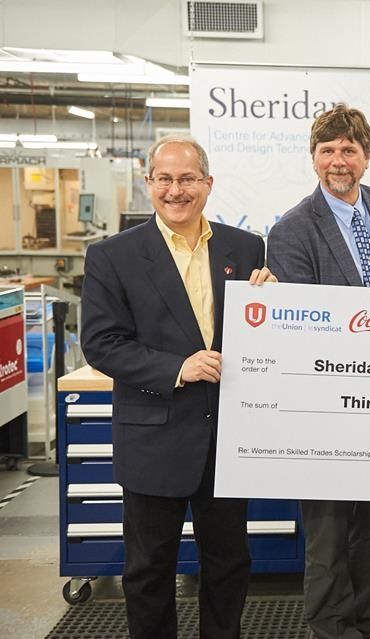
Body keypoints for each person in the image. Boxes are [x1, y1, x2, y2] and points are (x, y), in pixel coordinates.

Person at [81, 134, 276, 639]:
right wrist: (177, 368)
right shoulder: (113, 256)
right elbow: (101, 343)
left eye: (187, 178)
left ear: (208, 183)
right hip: (153, 434)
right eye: (164, 179)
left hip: (225, 437)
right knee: (149, 569)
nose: (176, 190)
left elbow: (256, 332)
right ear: (148, 184)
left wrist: (274, 308)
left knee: (229, 563)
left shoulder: (245, 247)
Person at [266, 103, 370, 639]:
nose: (338, 160)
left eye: (349, 149)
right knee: (328, 532)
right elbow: (300, 325)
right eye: (327, 150)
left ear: (366, 157)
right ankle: (332, 627)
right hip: (326, 406)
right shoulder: (292, 229)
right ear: (313, 158)